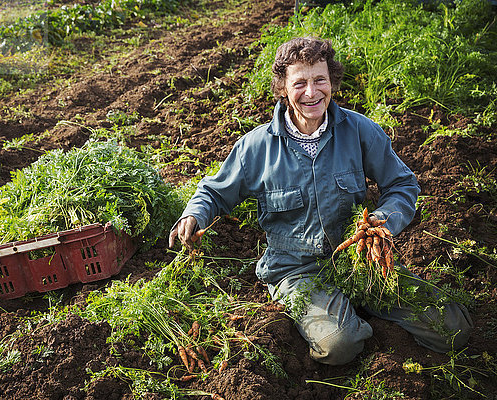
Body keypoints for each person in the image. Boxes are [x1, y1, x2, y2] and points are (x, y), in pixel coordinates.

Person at [168, 37, 472, 365]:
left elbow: (402, 184)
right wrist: (194, 215)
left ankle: (359, 305)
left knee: (452, 328)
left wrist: (383, 220)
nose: (311, 93)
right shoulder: (257, 147)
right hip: (297, 269)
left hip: (361, 260)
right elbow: (214, 191)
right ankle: (343, 322)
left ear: (332, 82)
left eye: (320, 80)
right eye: (300, 83)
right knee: (339, 345)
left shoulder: (358, 131)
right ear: (283, 88)